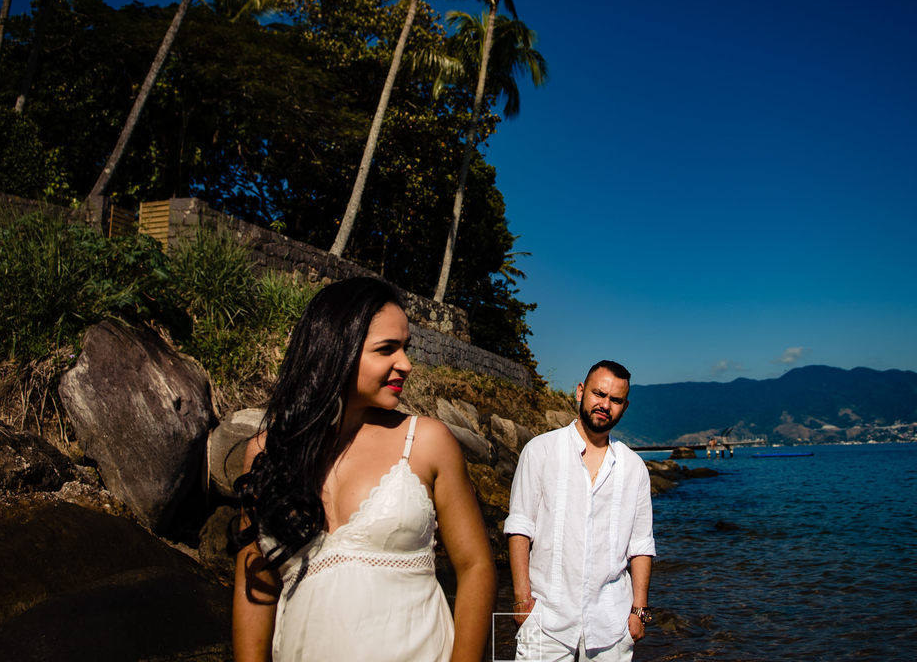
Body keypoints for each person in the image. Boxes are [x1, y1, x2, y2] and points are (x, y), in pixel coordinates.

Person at [232, 277, 496, 662]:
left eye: (405, 348)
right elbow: (255, 588)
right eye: (387, 349)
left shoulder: (425, 442)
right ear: (335, 350)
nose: (405, 364)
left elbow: (475, 566)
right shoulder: (268, 454)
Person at [505, 361, 655, 662]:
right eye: (599, 394)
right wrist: (522, 600)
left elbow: (640, 544)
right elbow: (520, 526)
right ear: (580, 392)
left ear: (625, 407)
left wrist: (639, 610)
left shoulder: (633, 468)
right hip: (546, 618)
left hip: (611, 623)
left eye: (615, 400)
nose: (605, 405)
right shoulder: (540, 451)